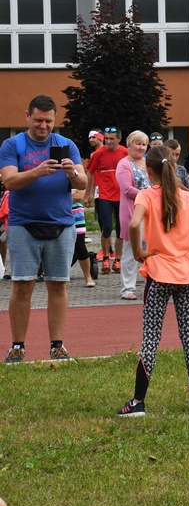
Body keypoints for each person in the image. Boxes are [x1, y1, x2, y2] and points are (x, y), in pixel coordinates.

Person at [117, 146, 189, 417]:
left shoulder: (146, 195)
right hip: (184, 274)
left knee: (150, 338)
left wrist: (138, 251)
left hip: (157, 274)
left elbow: (133, 224)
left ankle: (138, 401)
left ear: (149, 171)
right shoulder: (187, 197)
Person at [0, 95, 87, 364]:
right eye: (38, 120)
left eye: (48, 121)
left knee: (58, 285)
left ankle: (57, 346)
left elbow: (83, 183)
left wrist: (72, 173)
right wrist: (37, 172)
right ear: (27, 116)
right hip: (23, 225)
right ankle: (17, 347)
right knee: (22, 285)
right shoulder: (13, 144)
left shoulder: (66, 144)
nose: (43, 126)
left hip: (61, 224)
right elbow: (9, 181)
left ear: (54, 119)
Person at [84, 125, 127, 274]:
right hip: (105, 196)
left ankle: (118, 260)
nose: (108, 142)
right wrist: (88, 194)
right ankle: (106, 257)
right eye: (106, 138)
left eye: (112, 139)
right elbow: (90, 172)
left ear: (119, 139)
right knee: (107, 228)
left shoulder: (125, 153)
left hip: (121, 196)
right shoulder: (99, 153)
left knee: (121, 230)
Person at [116, 130, 152, 301]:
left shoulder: (148, 162)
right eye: (137, 144)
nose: (141, 147)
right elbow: (127, 189)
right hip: (133, 213)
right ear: (129, 145)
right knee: (131, 251)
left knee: (150, 249)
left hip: (150, 214)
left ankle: (152, 284)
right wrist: (149, 196)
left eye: (144, 144)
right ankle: (127, 289)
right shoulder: (124, 164)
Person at [70, 190, 96, 288]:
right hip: (57, 214)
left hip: (76, 215)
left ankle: (88, 276)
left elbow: (79, 196)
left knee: (80, 246)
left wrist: (59, 197)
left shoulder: (78, 180)